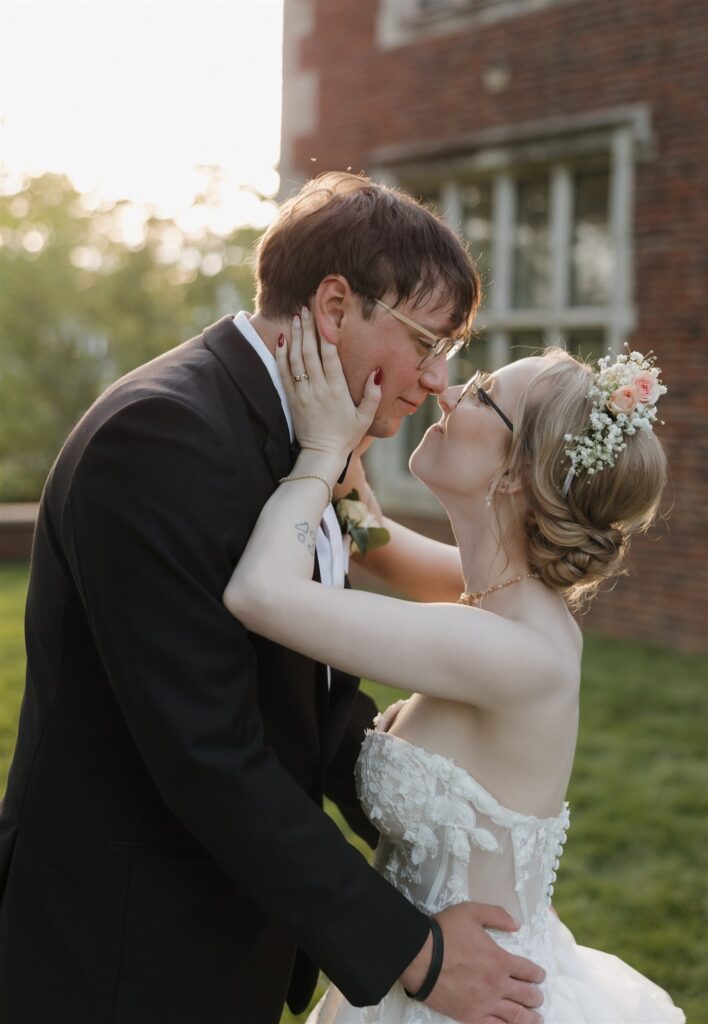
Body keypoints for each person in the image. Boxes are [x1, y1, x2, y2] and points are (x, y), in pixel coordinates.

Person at [0, 173, 546, 1024]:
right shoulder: (162, 440)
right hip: (121, 951)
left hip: (226, 933)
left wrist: (448, 825)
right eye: (428, 340)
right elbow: (207, 751)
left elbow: (299, 691)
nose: (438, 381)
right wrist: (417, 950)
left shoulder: (304, 444)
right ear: (335, 307)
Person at [223, 310, 685, 1023]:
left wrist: (317, 458)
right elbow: (374, 541)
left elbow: (260, 594)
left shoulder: (511, 652)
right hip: (432, 975)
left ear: (518, 476)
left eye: (483, 391)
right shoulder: (507, 597)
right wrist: (347, 476)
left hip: (465, 992)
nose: (449, 392)